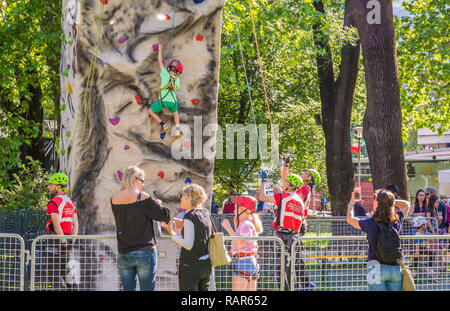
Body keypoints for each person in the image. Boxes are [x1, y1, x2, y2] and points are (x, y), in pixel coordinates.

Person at [111, 165, 171, 291]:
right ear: (134, 179)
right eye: (142, 181)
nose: (143, 184)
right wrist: (155, 203)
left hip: (124, 252)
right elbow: (164, 215)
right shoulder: (142, 196)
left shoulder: (114, 199)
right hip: (145, 251)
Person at [346, 188, 411, 291]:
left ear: (377, 204)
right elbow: (407, 205)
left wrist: (351, 203)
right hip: (395, 267)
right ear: (392, 205)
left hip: (374, 267)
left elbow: (350, 219)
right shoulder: (396, 222)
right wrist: (390, 201)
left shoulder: (369, 223)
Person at [258, 172, 313, 290]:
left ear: (290, 184)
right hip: (294, 236)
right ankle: (299, 286)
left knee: (281, 267)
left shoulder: (283, 197)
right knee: (292, 265)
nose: (285, 184)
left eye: (286, 182)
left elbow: (262, 197)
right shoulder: (300, 202)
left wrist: (263, 182)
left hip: (282, 236)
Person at [161, 184, 213, 291]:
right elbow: (200, 230)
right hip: (206, 265)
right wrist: (185, 224)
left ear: (187, 197)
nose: (180, 198)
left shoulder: (189, 216)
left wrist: (171, 233)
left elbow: (188, 245)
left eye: (182, 195)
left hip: (191, 266)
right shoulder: (205, 213)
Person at [43, 172, 79, 290]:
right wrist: (70, 242)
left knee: (53, 273)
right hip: (67, 239)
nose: (48, 187)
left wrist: (63, 242)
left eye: (51, 185)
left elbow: (56, 224)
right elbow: (76, 225)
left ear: (58, 187)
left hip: (56, 239)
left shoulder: (53, 202)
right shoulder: (70, 202)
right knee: (65, 270)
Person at [221, 195, 263, 291]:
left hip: (243, 262)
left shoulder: (245, 225)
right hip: (251, 262)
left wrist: (228, 228)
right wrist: (236, 226)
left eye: (235, 208)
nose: (233, 211)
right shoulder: (248, 223)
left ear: (242, 209)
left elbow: (240, 243)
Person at [148, 44, 183, 138]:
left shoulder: (165, 74)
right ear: (178, 72)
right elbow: (177, 88)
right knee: (176, 115)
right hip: (173, 101)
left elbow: (160, 62)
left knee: (151, 111)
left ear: (170, 68)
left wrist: (160, 49)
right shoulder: (178, 79)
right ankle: (177, 131)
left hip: (163, 101)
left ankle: (163, 125)